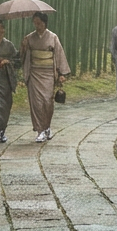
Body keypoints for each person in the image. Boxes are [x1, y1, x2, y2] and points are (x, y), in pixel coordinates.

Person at [19, 12, 70, 142]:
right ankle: (40, 130)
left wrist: (62, 74)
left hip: (48, 74)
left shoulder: (53, 37)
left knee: (47, 102)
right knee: (36, 103)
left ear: (45, 23)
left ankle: (47, 127)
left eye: (39, 23)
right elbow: (21, 57)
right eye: (35, 23)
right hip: (34, 73)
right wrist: (23, 46)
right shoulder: (29, 38)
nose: (37, 25)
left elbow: (59, 54)